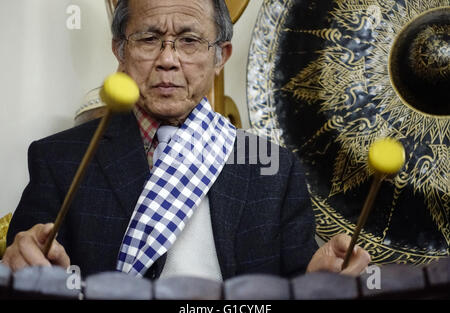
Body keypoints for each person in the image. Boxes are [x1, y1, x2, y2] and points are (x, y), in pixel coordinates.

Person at [3, 0, 370, 281]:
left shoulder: (272, 167)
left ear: (219, 56)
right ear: (120, 51)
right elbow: (24, 263)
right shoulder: (58, 158)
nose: (168, 60)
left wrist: (317, 280)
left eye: (189, 41)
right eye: (149, 39)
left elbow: (293, 284)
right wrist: (26, 262)